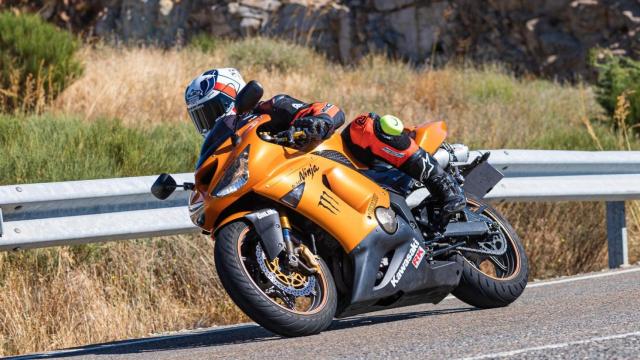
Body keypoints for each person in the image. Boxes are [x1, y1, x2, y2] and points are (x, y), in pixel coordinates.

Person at [184, 68, 465, 218]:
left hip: (345, 162)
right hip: (297, 185)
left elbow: (328, 109)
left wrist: (316, 122)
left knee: (364, 125)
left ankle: (444, 185)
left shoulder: (269, 109)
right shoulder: (229, 144)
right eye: (201, 117)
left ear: (234, 94)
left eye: (211, 110)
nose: (209, 121)